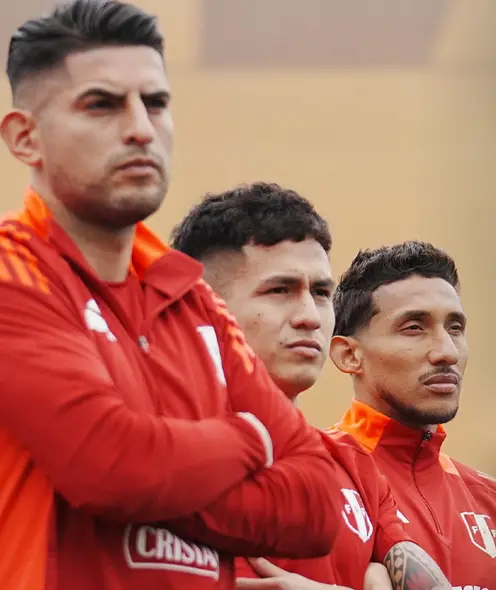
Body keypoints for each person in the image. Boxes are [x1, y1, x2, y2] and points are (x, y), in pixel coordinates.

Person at [0, 3, 341, 589]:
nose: (139, 128)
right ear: (25, 137)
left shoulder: (194, 302)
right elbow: (109, 467)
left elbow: (317, 505)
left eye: (155, 103)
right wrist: (249, 438)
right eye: (101, 105)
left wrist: (152, 472)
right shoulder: (13, 275)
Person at [170, 183, 451, 590]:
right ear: (201, 306)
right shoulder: (152, 461)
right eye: (279, 290)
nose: (309, 316)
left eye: (321, 293)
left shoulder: (355, 467)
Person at [328, 241, 496, 590]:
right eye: (414, 328)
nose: (447, 352)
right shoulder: (312, 479)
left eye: (455, 328)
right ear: (349, 355)